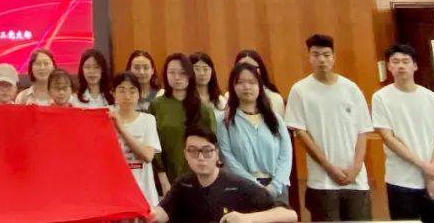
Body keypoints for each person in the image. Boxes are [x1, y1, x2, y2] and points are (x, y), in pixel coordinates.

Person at [285, 33, 373, 221]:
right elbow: (301, 134)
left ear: (334, 57)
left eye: (326, 55)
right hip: (322, 182)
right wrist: (329, 167)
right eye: (316, 55)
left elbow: (363, 130)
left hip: (356, 181)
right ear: (309, 58)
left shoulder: (351, 88)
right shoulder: (300, 90)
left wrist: (356, 167)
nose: (322, 60)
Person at [371, 43, 434, 223]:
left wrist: (433, 170)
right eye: (395, 61)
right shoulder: (381, 98)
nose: (401, 65)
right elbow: (388, 138)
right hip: (401, 180)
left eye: (405, 61)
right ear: (389, 66)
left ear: (415, 66)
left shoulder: (432, 98)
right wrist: (425, 167)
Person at [154, 128, 297, 223]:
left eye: (207, 151)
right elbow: (163, 212)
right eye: (193, 151)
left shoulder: (238, 185)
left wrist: (248, 218)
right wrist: (149, 213)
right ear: (185, 154)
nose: (201, 157)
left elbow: (290, 214)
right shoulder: (183, 184)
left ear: (217, 153)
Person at [216, 62, 293, 202]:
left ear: (260, 86)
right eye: (240, 82)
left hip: (277, 188)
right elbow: (227, 157)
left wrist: (275, 186)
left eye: (252, 82)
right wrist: (254, 186)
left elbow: (286, 154)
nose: (247, 87)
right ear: (233, 87)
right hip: (241, 188)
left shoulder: (275, 118)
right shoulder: (224, 120)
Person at [151, 52, 217, 191]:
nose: (177, 77)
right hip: (166, 178)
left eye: (182, 73)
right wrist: (163, 179)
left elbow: (212, 146)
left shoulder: (203, 109)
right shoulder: (156, 106)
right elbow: (153, 145)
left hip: (199, 177)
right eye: (171, 72)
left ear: (190, 75)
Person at [109, 71, 161, 214]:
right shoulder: (106, 118)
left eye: (132, 91)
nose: (127, 96)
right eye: (122, 91)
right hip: (115, 196)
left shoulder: (148, 120)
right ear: (113, 93)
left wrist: (121, 129)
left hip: (144, 194)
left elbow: (147, 156)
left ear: (139, 94)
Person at [233, 49, 285, 116]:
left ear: (261, 70)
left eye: (252, 67)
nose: (246, 71)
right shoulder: (227, 97)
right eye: (242, 67)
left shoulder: (274, 98)